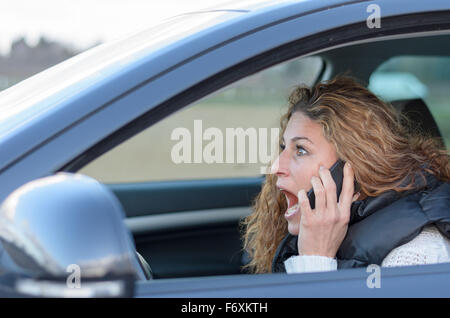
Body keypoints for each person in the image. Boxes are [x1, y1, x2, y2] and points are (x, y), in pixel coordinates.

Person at [241, 75, 450, 274]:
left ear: (355, 169)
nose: (276, 166)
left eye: (301, 150)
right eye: (283, 147)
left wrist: (316, 261)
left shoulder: (416, 256)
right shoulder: (322, 231)